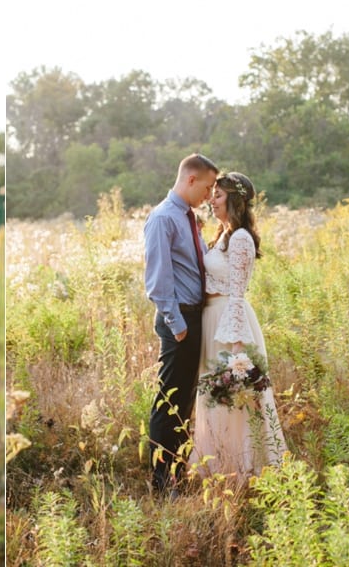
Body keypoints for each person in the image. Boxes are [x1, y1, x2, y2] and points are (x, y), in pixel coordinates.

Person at [189, 172, 287, 481]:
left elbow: (236, 293)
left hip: (229, 325)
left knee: (234, 396)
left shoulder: (241, 238)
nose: (211, 200)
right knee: (213, 397)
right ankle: (218, 467)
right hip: (212, 320)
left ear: (234, 200)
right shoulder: (222, 234)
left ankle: (244, 470)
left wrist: (237, 352)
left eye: (217, 195)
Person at [144, 153, 219, 495]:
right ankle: (161, 483)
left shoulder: (188, 218)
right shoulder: (162, 218)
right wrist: (179, 327)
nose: (208, 195)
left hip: (193, 317)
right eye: (206, 187)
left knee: (185, 401)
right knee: (169, 401)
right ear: (191, 180)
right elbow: (158, 283)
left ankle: (177, 472)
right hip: (180, 321)